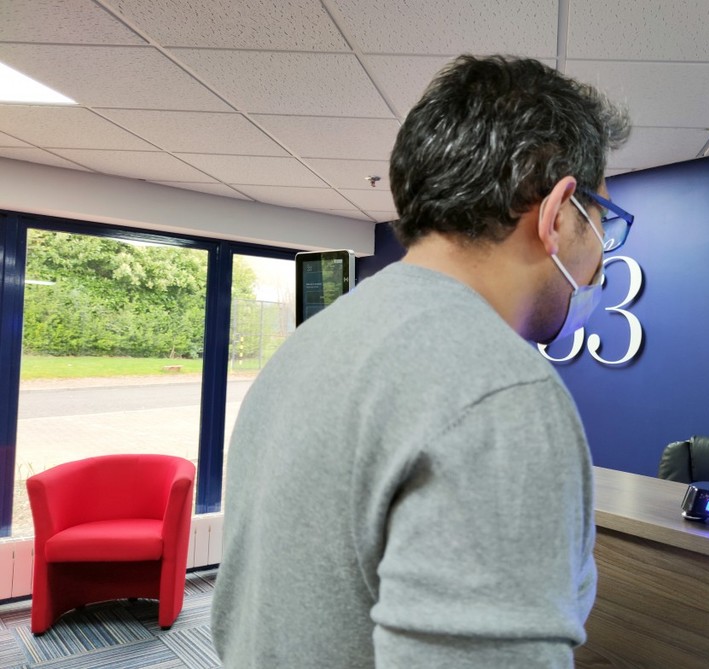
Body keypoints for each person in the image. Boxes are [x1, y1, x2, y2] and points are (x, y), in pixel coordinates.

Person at [211, 54, 631, 668]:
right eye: (600, 222)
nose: (598, 254)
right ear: (559, 213)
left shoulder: (309, 345)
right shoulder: (500, 392)